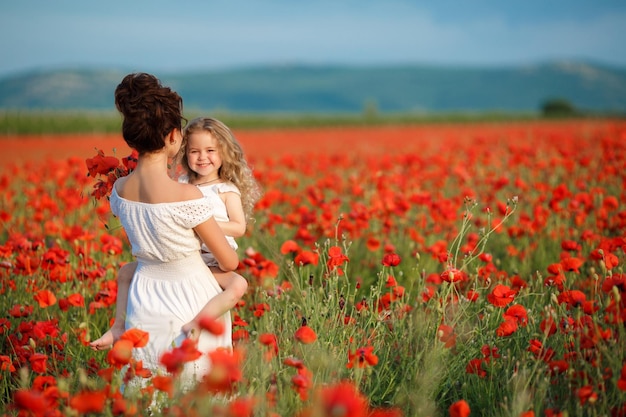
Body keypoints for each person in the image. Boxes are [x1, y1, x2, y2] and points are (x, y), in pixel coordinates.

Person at [89, 72, 238, 387]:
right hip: (191, 298)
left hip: (143, 296)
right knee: (195, 390)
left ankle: (119, 330)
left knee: (148, 383)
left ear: (131, 138)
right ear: (173, 136)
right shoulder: (187, 196)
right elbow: (228, 263)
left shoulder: (119, 190)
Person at [91, 116, 260, 350]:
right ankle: (118, 327)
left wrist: (204, 224)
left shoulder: (226, 190)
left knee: (238, 285)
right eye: (194, 151)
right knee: (126, 272)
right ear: (183, 152)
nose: (202, 157)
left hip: (212, 264)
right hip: (181, 259)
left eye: (210, 150)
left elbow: (239, 227)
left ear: (225, 153)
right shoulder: (181, 184)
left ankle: (199, 323)